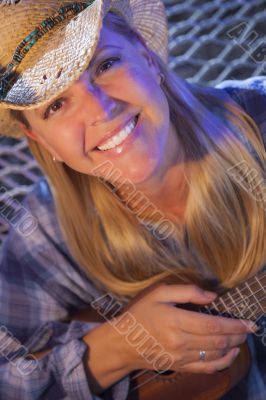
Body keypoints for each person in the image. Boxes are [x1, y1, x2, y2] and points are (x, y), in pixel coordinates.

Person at [0, 0, 265, 399]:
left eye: (104, 65)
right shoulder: (44, 237)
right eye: (56, 104)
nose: (100, 110)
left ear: (147, 56)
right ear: (41, 139)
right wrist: (119, 349)